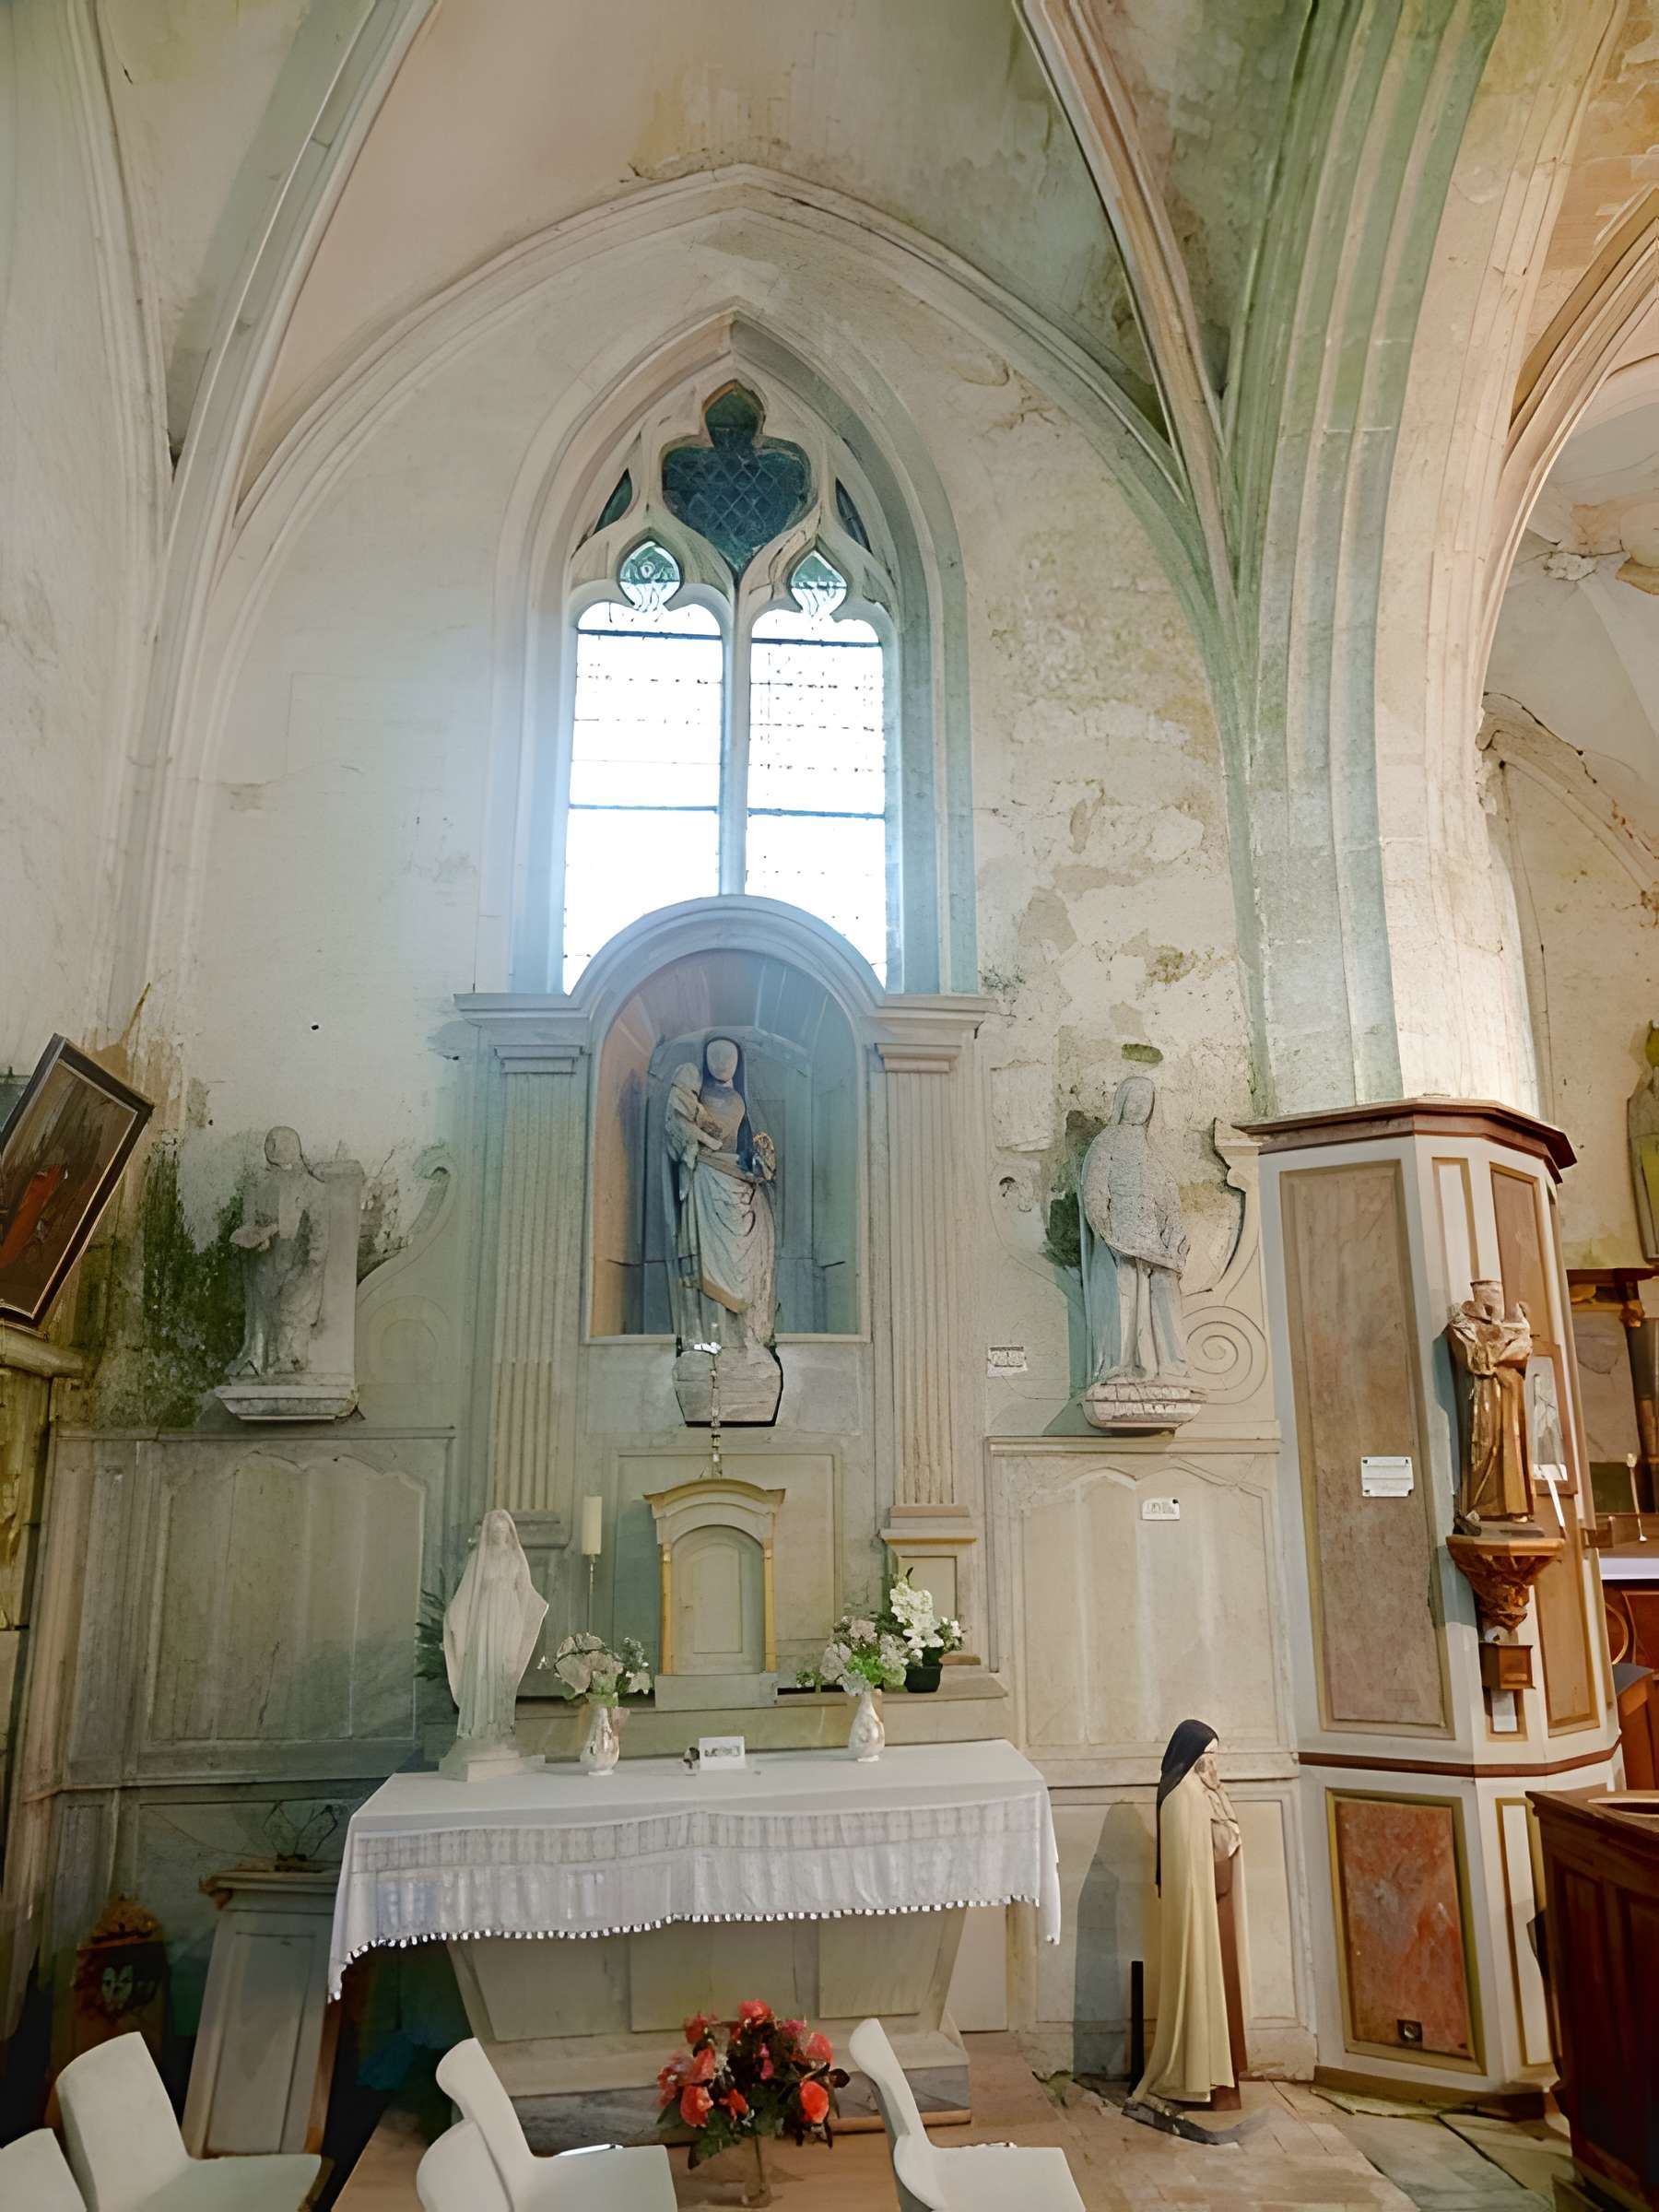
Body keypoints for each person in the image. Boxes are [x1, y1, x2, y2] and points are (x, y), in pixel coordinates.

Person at [1135, 1718, 1246, 2108]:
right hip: (1196, 1911)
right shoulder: (1183, 1797)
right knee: (1196, 1979)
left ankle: (1215, 2075)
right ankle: (1193, 2076)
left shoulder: (1200, 1792)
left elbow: (1223, 1841)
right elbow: (1200, 1854)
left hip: (1210, 1907)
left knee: (1216, 1983)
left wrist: (1219, 1800)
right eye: (1209, 1757)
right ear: (1194, 1756)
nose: (1214, 1766)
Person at [664, 1036, 777, 1353]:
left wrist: (760, 1163)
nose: (722, 1062)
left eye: (729, 1056)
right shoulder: (694, 1094)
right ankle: (707, 1340)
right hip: (705, 1180)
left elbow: (747, 1146)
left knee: (748, 1264)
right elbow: (678, 1132)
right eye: (715, 1056)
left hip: (740, 1185)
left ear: (739, 1062)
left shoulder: (741, 1099)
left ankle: (746, 1338)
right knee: (706, 1263)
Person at [442, 1510, 548, 1747]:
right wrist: (454, 1614)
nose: (499, 1534)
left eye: (503, 1530)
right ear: (488, 1532)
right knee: (484, 1664)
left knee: (503, 1666)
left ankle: (500, 1723)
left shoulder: (515, 1558)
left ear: (509, 1532)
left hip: (508, 1617)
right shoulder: (478, 1558)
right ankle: (482, 1723)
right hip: (486, 1618)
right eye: (494, 1530)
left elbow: (525, 1591)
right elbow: (467, 1591)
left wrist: (524, 1617)